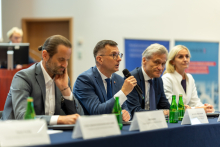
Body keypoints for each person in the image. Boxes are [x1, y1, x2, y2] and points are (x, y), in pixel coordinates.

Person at [1, 35, 84, 124]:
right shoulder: (23, 77)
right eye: (61, 59)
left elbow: (79, 117)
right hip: (16, 133)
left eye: (67, 60)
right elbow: (23, 117)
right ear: (45, 55)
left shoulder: (62, 79)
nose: (65, 65)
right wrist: (59, 119)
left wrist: (65, 89)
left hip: (50, 133)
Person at [73, 40, 137, 121]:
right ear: (100, 59)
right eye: (114, 55)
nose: (119, 59)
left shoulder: (119, 79)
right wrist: (123, 92)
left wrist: (126, 114)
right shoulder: (84, 80)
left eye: (119, 55)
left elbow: (124, 108)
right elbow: (97, 112)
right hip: (91, 129)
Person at [162, 45, 214, 113]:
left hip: (186, 119)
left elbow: (194, 102)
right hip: (172, 120)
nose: (185, 59)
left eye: (187, 56)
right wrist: (196, 109)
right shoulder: (167, 78)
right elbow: (170, 105)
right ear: (172, 62)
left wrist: (205, 108)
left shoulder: (190, 78)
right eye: (180, 57)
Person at [126, 43, 170, 118]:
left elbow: (164, 105)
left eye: (163, 64)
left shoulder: (158, 79)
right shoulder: (132, 79)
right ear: (144, 60)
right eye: (156, 62)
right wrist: (161, 113)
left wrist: (177, 110)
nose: (160, 68)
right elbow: (134, 111)